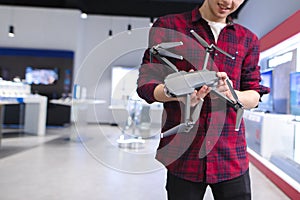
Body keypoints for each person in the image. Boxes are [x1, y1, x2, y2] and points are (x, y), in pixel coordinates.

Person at [137, 0, 270, 199]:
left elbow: (254, 94)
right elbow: (146, 85)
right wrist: (175, 93)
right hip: (184, 156)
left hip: (231, 157)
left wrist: (234, 94)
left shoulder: (248, 39)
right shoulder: (168, 26)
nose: (229, 2)